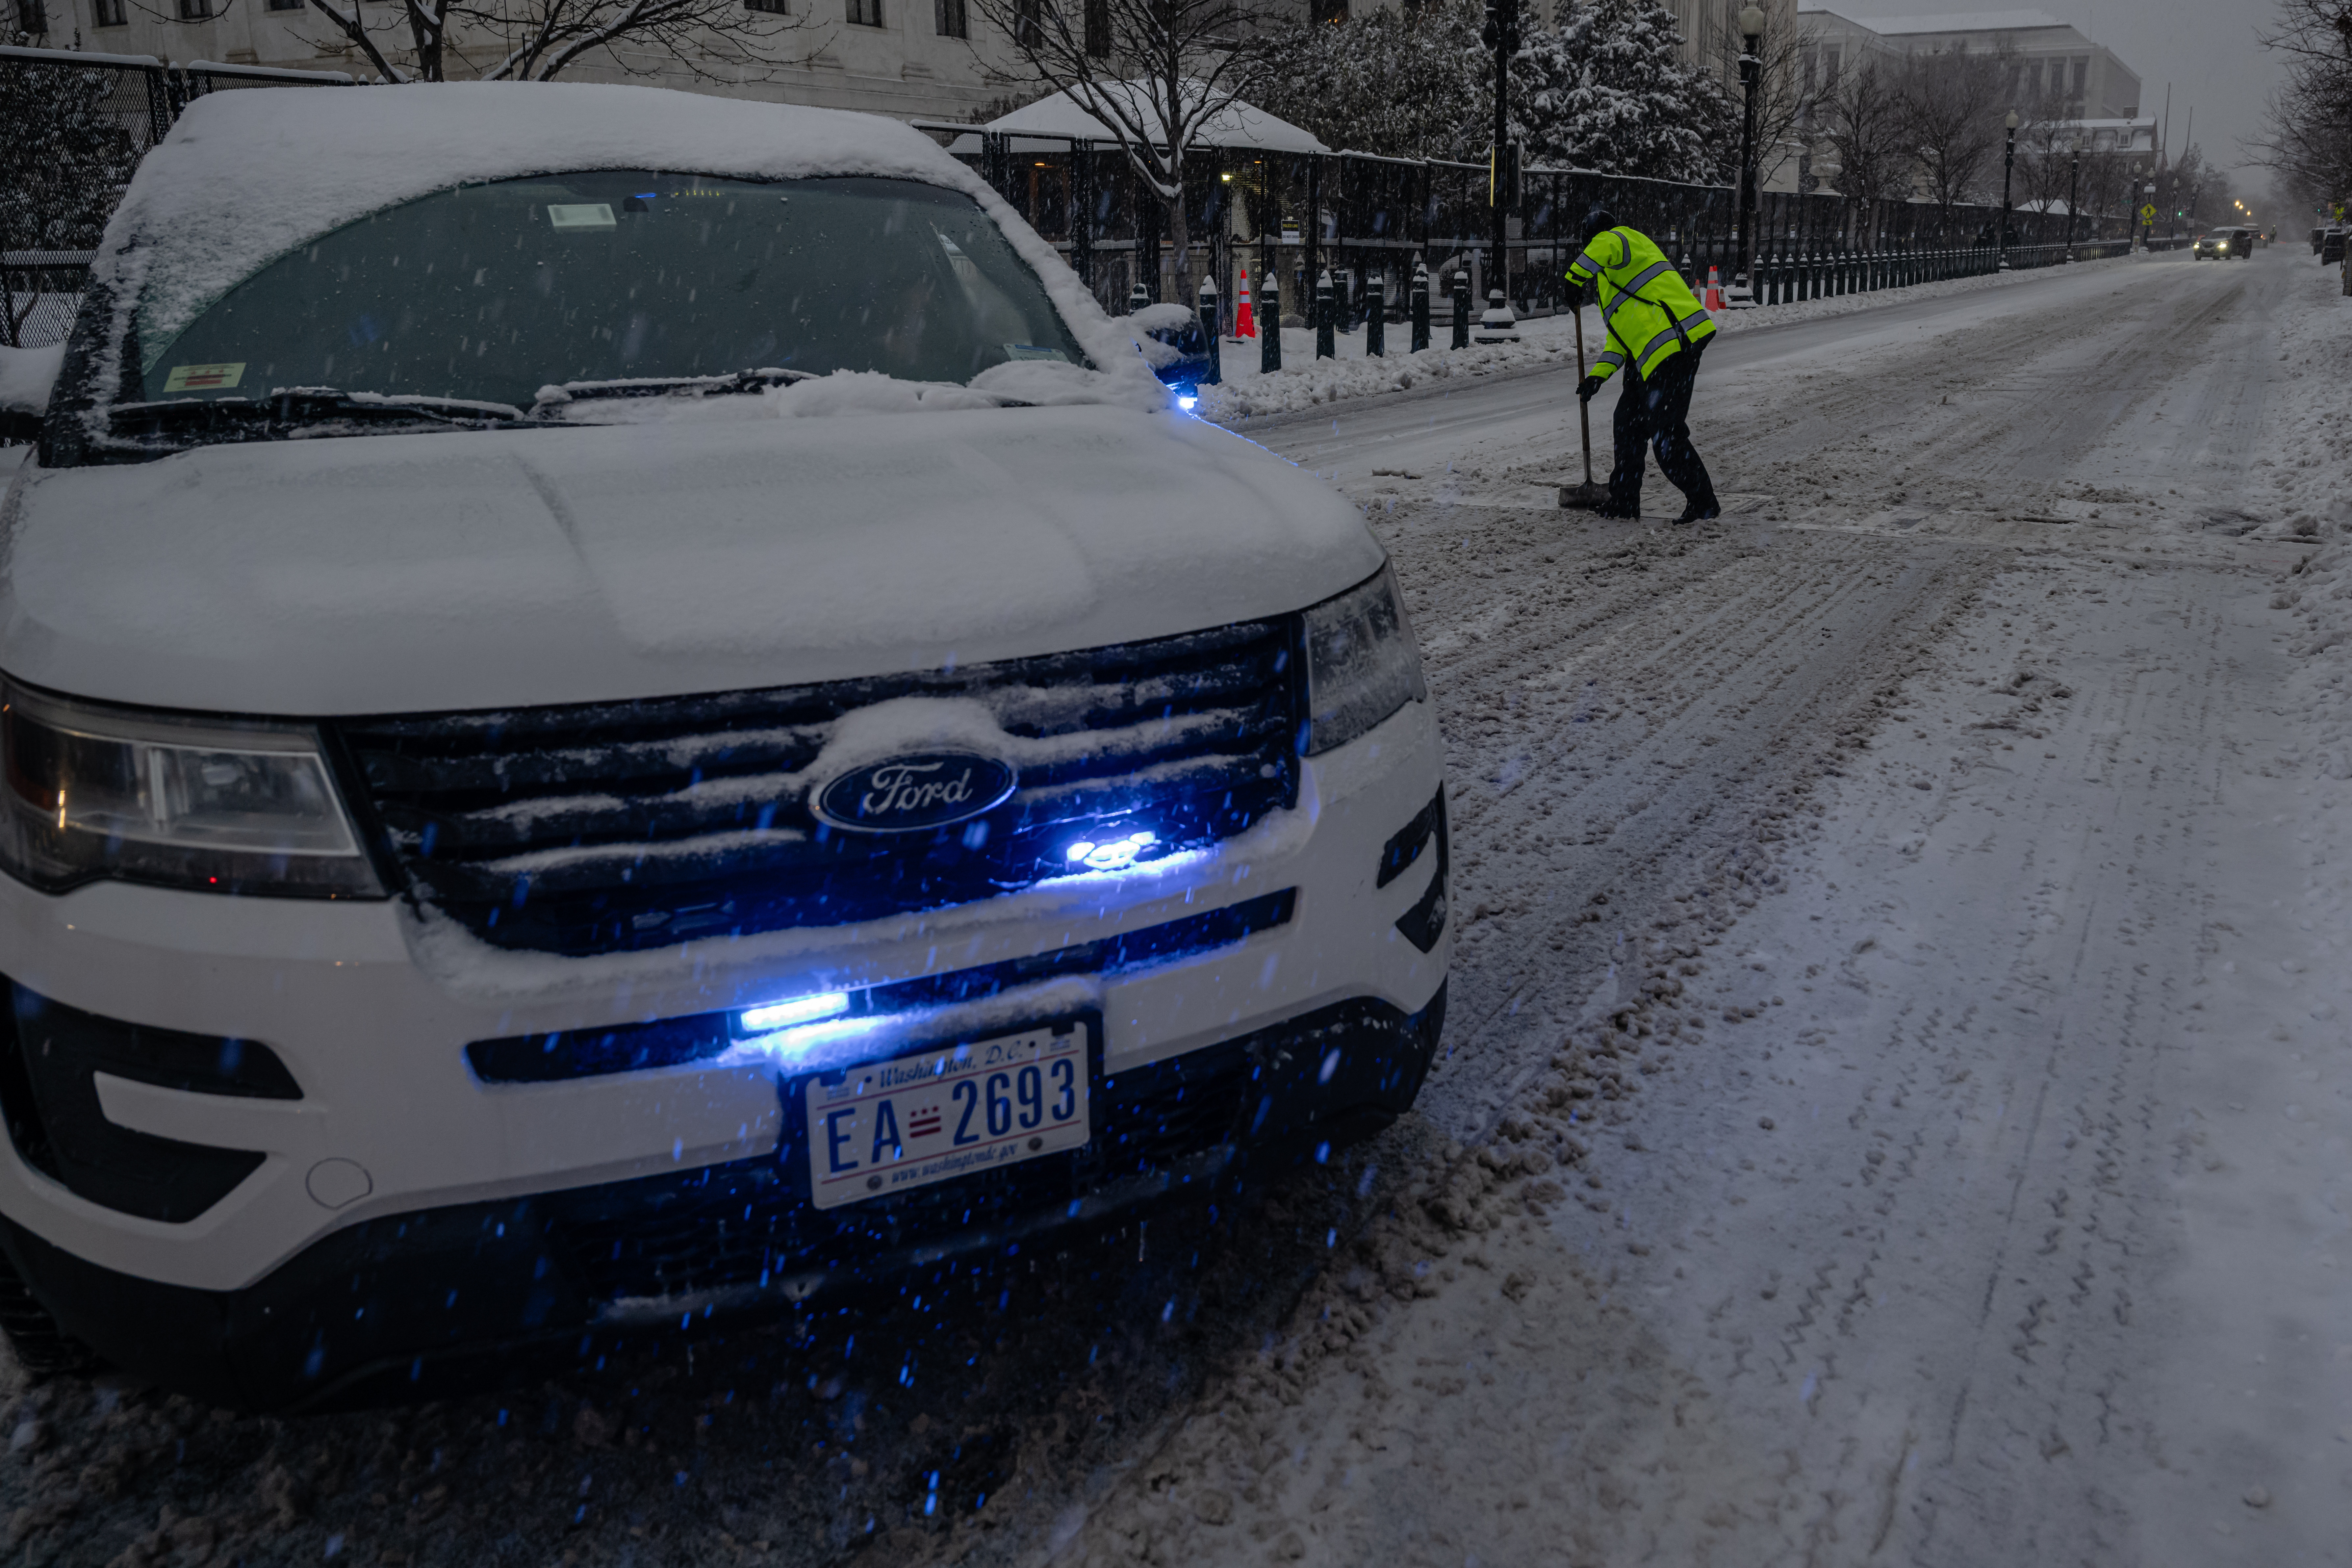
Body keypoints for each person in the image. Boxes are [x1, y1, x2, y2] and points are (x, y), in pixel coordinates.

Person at [1566, 207, 1721, 524]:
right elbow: (1619, 340)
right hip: (1648, 358)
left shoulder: (1623, 239)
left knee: (1666, 436)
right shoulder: (1609, 283)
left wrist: (1572, 279)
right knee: (1627, 425)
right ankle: (1624, 501)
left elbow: (1604, 246)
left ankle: (1704, 502)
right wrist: (1597, 377)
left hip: (1675, 344)